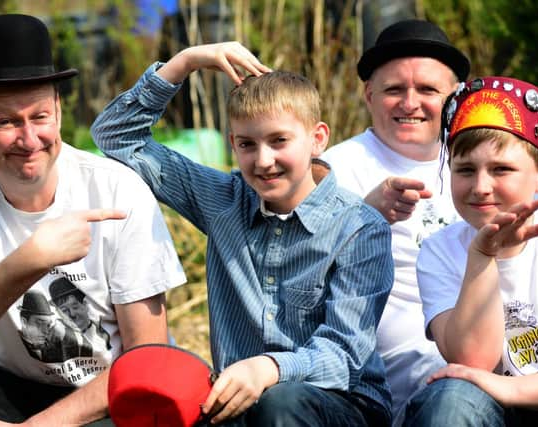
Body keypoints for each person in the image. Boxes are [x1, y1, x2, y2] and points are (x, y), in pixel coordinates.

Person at [92, 42, 395, 426]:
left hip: (342, 406)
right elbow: (116, 136)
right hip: (237, 407)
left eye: (279, 141)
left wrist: (267, 368)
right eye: (248, 145)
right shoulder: (223, 201)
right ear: (232, 144)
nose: (263, 161)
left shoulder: (359, 228)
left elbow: (343, 355)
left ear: (318, 139)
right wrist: (185, 63)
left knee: (280, 403)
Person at [320, 18, 538, 425]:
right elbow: (294, 251)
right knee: (454, 398)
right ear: (368, 94)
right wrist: (363, 216)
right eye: (393, 89)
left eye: (427, 90)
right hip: (444, 375)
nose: (410, 103)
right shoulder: (335, 169)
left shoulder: (488, 136)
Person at [0, 14, 186, 426]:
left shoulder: (117, 191)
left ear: (58, 110)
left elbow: (147, 357)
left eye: (39, 117)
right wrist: (29, 260)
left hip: (114, 389)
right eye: (5, 121)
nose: (28, 138)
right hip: (10, 386)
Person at [405, 76, 538, 426]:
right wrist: (483, 258)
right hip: (488, 412)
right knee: (450, 398)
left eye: (501, 169)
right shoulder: (439, 251)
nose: (480, 187)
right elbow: (472, 360)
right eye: (465, 170)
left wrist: (513, 389)